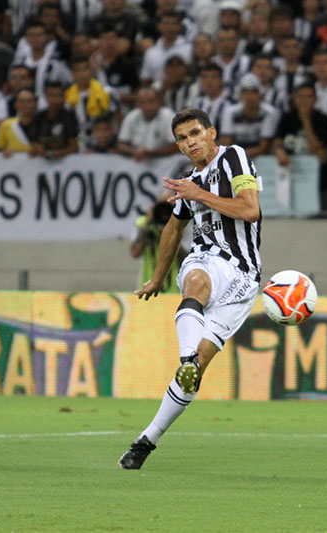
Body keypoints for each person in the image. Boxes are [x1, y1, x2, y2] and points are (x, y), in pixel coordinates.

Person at [118, 107, 262, 470]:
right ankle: (185, 362)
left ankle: (146, 439)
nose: (190, 143)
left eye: (195, 133)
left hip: (243, 277)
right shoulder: (188, 182)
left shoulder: (233, 158)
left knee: (200, 367)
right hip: (206, 259)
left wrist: (198, 194)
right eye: (182, 139)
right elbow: (173, 228)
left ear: (212, 132)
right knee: (196, 281)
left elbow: (250, 210)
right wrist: (158, 277)